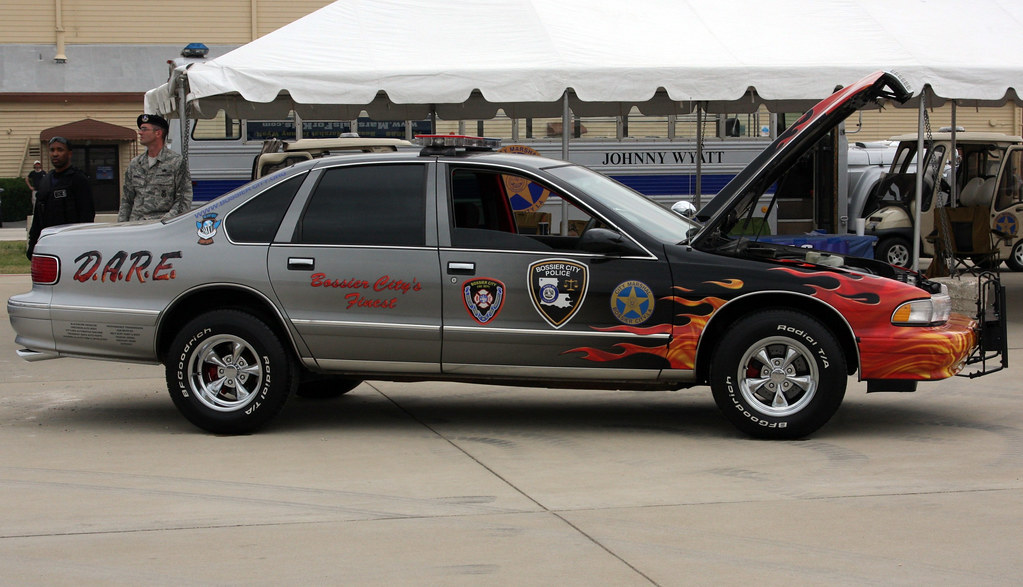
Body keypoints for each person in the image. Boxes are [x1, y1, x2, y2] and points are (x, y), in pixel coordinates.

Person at [27, 137, 95, 258]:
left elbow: (87, 215)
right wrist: (32, 245)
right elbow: (38, 217)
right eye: (52, 150)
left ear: (69, 154)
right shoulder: (45, 181)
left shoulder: (78, 179)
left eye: (60, 150)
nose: (55, 154)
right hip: (48, 243)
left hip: (71, 245)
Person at [118, 113, 192, 222]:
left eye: (144, 129)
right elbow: (127, 201)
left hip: (161, 227)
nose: (139, 133)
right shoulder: (135, 164)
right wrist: (121, 226)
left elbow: (183, 200)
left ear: (158, 133)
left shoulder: (176, 162)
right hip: (136, 226)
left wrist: (165, 222)